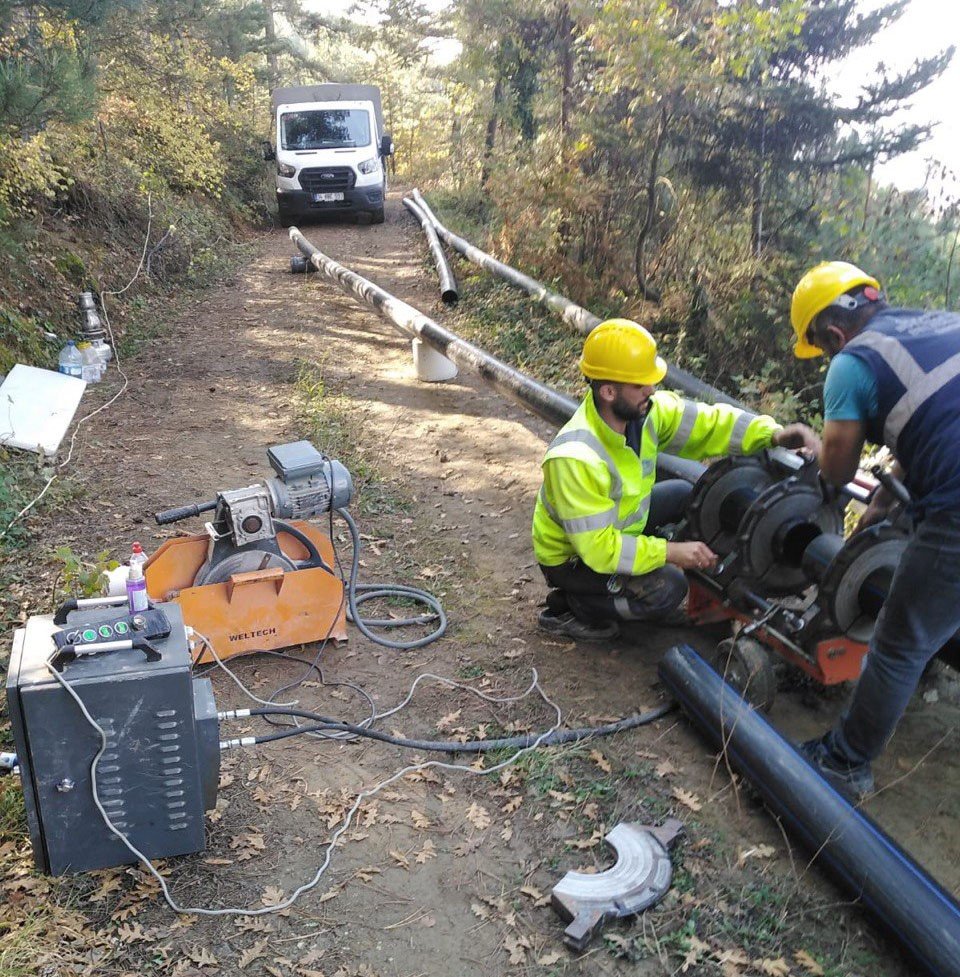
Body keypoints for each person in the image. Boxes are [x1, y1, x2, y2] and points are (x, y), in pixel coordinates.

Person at [532, 318, 820, 641]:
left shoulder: (647, 414)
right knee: (668, 587)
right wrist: (671, 552)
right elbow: (599, 550)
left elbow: (712, 424)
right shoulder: (575, 457)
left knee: (687, 494)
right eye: (640, 385)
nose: (651, 390)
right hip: (574, 559)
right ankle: (576, 607)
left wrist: (775, 435)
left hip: (618, 529)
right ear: (609, 391)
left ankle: (685, 583)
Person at [790, 260, 960, 801]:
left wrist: (817, 451)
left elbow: (837, 472)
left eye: (820, 348)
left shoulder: (854, 363)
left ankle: (844, 761)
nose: (826, 357)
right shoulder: (940, 322)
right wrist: (886, 501)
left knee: (899, 640)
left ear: (834, 333)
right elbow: (939, 422)